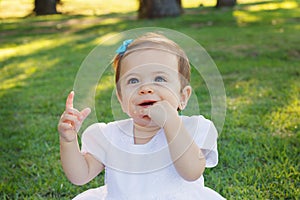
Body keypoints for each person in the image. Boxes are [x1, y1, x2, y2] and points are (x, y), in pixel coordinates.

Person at [58, 33, 225, 199]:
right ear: (122, 99)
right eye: (133, 80)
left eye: (159, 78)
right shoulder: (110, 136)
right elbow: (80, 176)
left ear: (183, 97)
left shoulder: (193, 129)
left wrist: (171, 121)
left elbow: (192, 172)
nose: (145, 88)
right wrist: (68, 141)